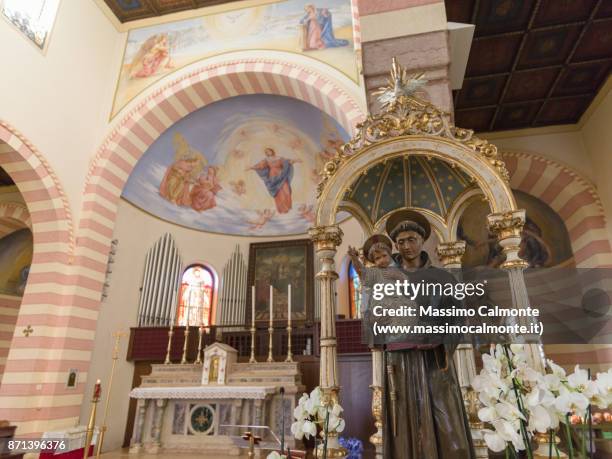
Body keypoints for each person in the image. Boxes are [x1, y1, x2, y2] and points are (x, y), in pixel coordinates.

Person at [381, 209, 475, 459]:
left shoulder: (442, 277)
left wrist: (440, 341)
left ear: (422, 241)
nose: (406, 246)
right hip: (401, 360)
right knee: (404, 420)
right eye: (400, 242)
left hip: (435, 361)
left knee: (447, 422)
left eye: (411, 239)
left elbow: (458, 319)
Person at [246, 148, 301, 214]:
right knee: (278, 194)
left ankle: (288, 207)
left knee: (287, 191)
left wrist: (296, 160)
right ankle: (282, 209)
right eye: (266, 152)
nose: (267, 153)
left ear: (272, 151)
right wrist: (251, 167)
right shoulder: (266, 160)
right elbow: (260, 166)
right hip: (273, 177)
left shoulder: (279, 158)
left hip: (282, 176)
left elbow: (287, 161)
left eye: (268, 151)